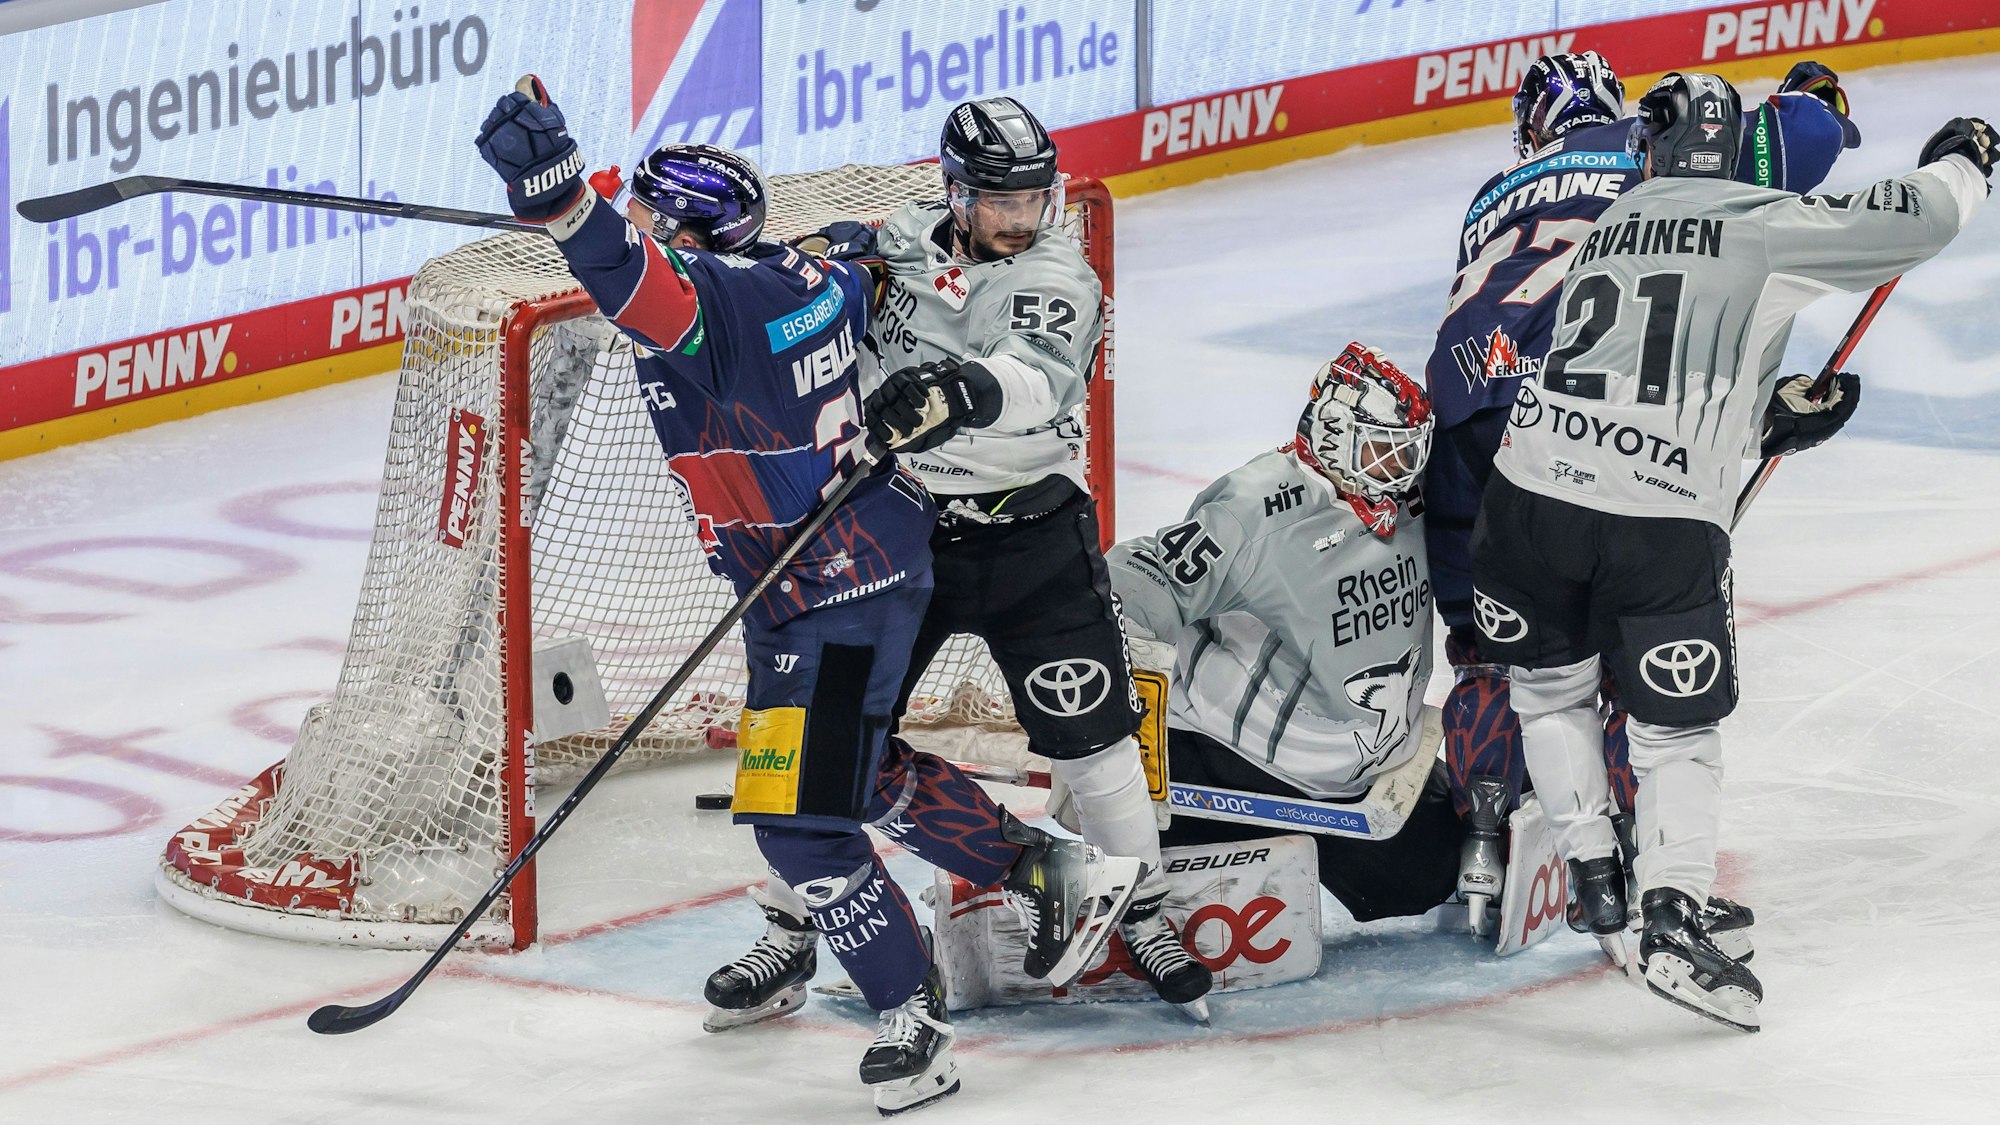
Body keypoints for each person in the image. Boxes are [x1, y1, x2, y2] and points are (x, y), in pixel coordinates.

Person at [475, 79, 1140, 1116]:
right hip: (838, 567)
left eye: (653, 217)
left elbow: (628, 276)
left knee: (795, 820)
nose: (639, 228)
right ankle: (1037, 867)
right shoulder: (798, 276)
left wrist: (560, 201)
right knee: (855, 772)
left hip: (835, 589)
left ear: (691, 237)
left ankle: (909, 1017)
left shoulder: (725, 306)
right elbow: (852, 257)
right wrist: (859, 252)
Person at [1470, 72, 1991, 1031]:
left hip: (1525, 496)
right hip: (1657, 516)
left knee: (1550, 691)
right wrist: (1964, 161)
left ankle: (1594, 877)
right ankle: (1670, 906)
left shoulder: (1610, 226)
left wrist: (1764, 416)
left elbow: (1653, 361)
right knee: (1674, 733)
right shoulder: (1761, 220)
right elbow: (1917, 220)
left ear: (1653, 152)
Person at [706, 95, 1214, 1023]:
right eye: (1001, 203)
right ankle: (790, 932)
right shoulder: (908, 235)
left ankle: (1139, 907)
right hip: (897, 537)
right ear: (955, 194)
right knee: (818, 745)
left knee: (1095, 740)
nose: (1023, 220)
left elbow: (1032, 374)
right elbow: (820, 279)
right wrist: (826, 255)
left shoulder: (1061, 272)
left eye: (1035, 200)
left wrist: (952, 390)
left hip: (1032, 537)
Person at [1422, 52, 1862, 933]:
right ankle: (1632, 854)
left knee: (1495, 642)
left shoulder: (1491, 195)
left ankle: (1480, 837)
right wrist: (1819, 99)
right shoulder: (1653, 147)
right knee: (1629, 617)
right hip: (1581, 411)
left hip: (1464, 419)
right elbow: (1801, 140)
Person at [1106, 343, 1469, 926]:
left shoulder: (1411, 494)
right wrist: (1125, 748)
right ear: (1330, 432)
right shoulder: (1257, 507)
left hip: (1360, 768)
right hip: (1243, 758)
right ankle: (1167, 840)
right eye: (1381, 450)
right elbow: (1129, 583)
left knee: (1420, 881)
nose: (1400, 469)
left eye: (1408, 451)